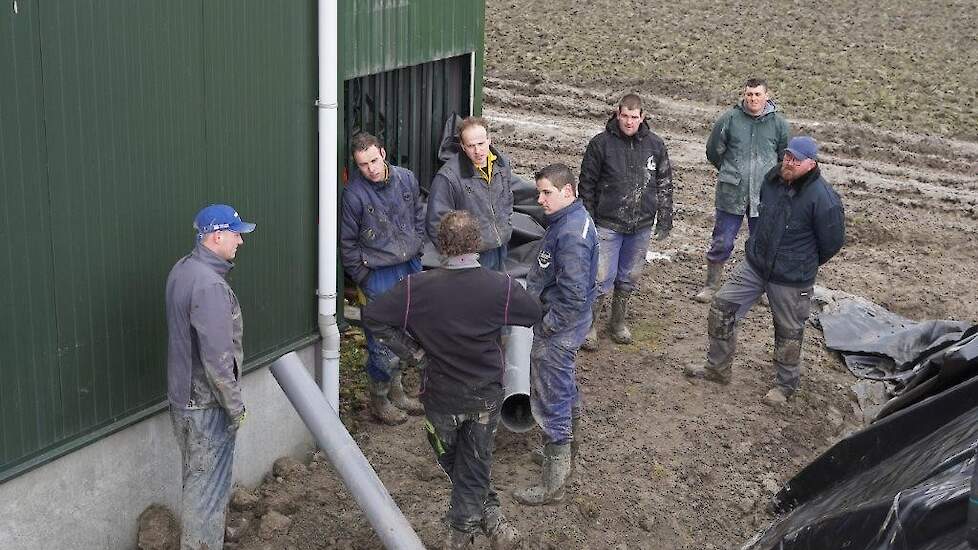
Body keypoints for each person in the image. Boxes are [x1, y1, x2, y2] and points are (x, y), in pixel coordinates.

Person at [362, 210, 541, 549]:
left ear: (439, 245)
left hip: (441, 397)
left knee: (458, 460)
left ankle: (459, 537)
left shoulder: (416, 289)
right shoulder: (500, 286)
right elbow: (533, 313)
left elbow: (373, 318)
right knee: (473, 463)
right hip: (485, 398)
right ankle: (492, 519)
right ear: (478, 243)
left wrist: (415, 353)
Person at [684, 136, 845, 406]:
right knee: (722, 307)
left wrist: (799, 263)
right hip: (756, 265)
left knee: (789, 332)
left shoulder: (824, 199)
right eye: (787, 156)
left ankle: (785, 386)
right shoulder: (773, 179)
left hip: (791, 279)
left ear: (811, 164)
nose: (789, 162)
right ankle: (717, 368)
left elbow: (832, 243)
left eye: (796, 159)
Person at [165, 203, 256, 550]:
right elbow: (219, 363)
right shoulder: (210, 287)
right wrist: (235, 409)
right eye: (236, 234)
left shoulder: (182, 270)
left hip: (183, 401)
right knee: (207, 492)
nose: (240, 242)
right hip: (206, 407)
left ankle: (207, 538)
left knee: (197, 483)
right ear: (217, 236)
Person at [514, 163, 598, 506]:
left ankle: (554, 483)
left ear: (568, 192)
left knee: (552, 397)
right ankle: (565, 458)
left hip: (559, 329)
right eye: (539, 192)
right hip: (566, 325)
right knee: (564, 388)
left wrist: (547, 326)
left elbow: (574, 294)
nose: (540, 199)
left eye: (547, 192)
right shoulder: (567, 222)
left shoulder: (571, 235)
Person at [340, 132, 426, 425]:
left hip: (409, 267)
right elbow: (348, 244)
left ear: (384, 153)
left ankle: (398, 391)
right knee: (381, 341)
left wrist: (418, 247)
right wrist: (364, 277)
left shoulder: (406, 179)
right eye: (362, 164)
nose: (371, 169)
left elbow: (418, 214)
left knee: (407, 332)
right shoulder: (354, 195)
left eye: (374, 160)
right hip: (377, 274)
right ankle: (379, 399)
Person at [579, 93, 673, 350]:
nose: (629, 122)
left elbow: (664, 182)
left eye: (634, 117)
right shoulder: (600, 145)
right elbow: (586, 184)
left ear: (642, 117)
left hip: (641, 225)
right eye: (625, 116)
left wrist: (664, 217)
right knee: (599, 278)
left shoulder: (655, 145)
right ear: (617, 114)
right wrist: (587, 218)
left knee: (629, 277)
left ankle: (617, 322)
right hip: (607, 223)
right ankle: (589, 327)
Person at [695, 78, 789, 303]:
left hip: (764, 195)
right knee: (723, 240)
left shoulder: (779, 124)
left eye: (757, 94)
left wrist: (772, 182)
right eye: (749, 94)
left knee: (762, 243)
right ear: (744, 95)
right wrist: (731, 172)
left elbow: (784, 157)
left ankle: (759, 288)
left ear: (766, 96)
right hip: (732, 192)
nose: (753, 99)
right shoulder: (729, 119)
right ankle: (712, 285)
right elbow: (713, 151)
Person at [426, 116, 514, 272]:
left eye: (481, 144)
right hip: (470, 256)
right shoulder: (448, 177)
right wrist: (455, 258)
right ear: (462, 146)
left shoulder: (502, 165)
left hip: (500, 247)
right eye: (471, 146)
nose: (478, 151)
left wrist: (505, 227)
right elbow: (436, 223)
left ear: (489, 140)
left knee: (496, 294)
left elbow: (507, 199)